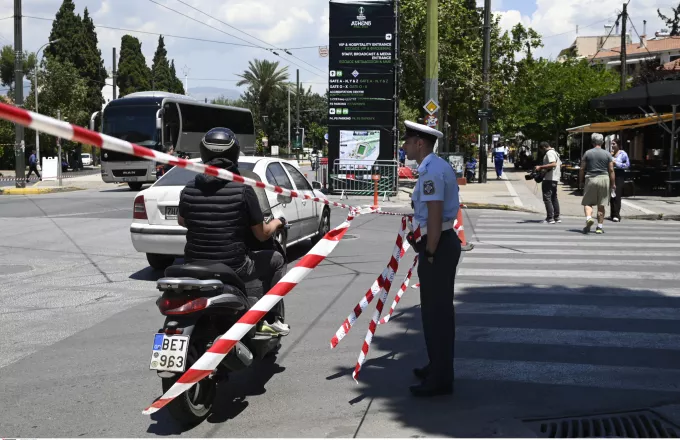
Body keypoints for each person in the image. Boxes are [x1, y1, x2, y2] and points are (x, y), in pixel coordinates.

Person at [177, 127, 290, 335]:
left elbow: (182, 221)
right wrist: (278, 222)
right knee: (276, 259)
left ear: (203, 153)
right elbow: (262, 234)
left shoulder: (189, 188)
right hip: (234, 266)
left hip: (193, 264)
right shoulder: (243, 189)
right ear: (234, 154)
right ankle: (271, 317)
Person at [402, 120, 461, 397]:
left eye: (407, 141)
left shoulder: (430, 172)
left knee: (436, 315)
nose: (404, 146)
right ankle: (437, 366)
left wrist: (430, 251)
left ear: (419, 144)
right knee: (435, 312)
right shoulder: (434, 167)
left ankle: (440, 378)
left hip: (438, 244)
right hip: (440, 241)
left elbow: (435, 215)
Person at [579, 133, 616, 234]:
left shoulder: (587, 153)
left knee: (587, 203)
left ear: (592, 142)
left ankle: (589, 218)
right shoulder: (607, 154)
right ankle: (599, 227)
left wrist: (581, 181)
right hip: (604, 178)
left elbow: (582, 168)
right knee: (601, 205)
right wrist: (613, 184)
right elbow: (611, 170)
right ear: (602, 142)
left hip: (591, 178)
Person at [535, 141, 561, 224]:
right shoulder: (556, 153)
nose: (542, 152)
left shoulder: (549, 153)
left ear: (544, 147)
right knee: (554, 198)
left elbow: (553, 164)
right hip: (555, 178)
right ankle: (556, 217)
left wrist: (540, 167)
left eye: (541, 150)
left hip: (549, 179)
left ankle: (550, 218)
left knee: (547, 198)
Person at [610, 137, 629, 222]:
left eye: (614, 144)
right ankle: (612, 213)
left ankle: (617, 215)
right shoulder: (611, 154)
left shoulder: (623, 154)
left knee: (617, 194)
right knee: (612, 194)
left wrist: (616, 163)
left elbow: (627, 165)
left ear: (618, 144)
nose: (612, 145)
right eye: (612, 144)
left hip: (619, 174)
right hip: (611, 174)